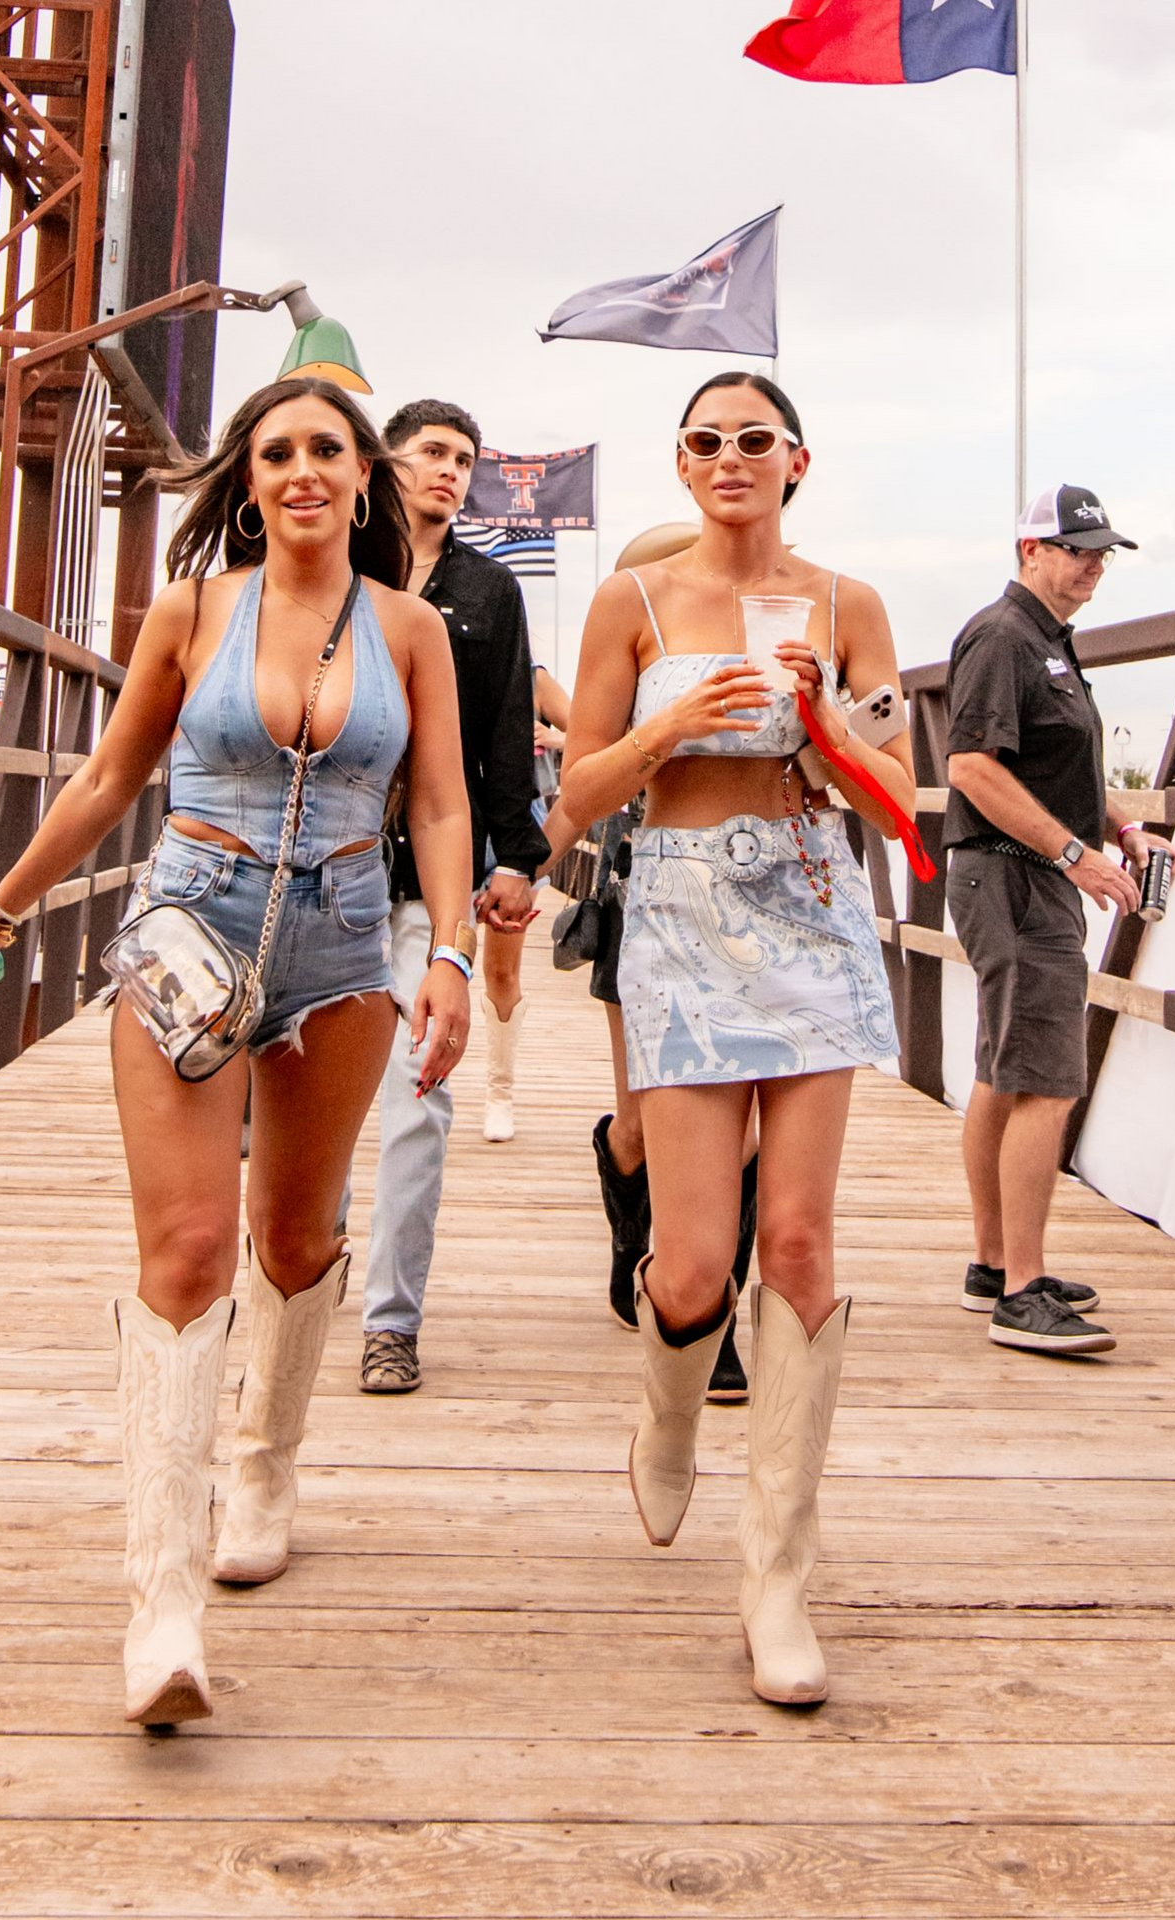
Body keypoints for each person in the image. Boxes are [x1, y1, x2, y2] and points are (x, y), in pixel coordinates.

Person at [0, 377, 474, 1728]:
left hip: (345, 952)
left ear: (364, 479)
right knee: (184, 1252)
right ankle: (162, 1603)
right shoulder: (193, 611)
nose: (302, 471)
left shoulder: (411, 629)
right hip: (193, 935)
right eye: (277, 451)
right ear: (249, 478)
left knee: (293, 1241)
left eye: (326, 452)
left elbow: (444, 801)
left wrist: (452, 953)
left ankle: (266, 1460)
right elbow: (110, 779)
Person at [558, 372, 910, 1706]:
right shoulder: (633, 604)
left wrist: (827, 722)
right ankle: (667, 1403)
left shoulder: (848, 604)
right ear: (682, 462)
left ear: (796, 459)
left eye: (753, 439)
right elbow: (574, 801)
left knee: (802, 1242)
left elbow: (893, 798)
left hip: (815, 909)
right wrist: (663, 729)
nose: (728, 458)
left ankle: (778, 1579)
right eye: (705, 441)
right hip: (688, 914)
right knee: (694, 1260)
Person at [943, 484, 1175, 1355]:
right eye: (1077, 548)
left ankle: (992, 1264)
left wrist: (1120, 827)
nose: (1093, 564)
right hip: (1013, 877)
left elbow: (1055, 765)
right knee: (1045, 1081)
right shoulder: (1004, 636)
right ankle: (1022, 1292)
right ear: (1028, 551)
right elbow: (970, 765)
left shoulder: (1046, 643)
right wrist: (1074, 855)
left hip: (1017, 876)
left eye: (1101, 551)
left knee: (1006, 1073)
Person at [359, 399, 549, 1394]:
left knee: (419, 1099)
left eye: (464, 459)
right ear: (386, 461)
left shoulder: (489, 590)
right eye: (432, 452)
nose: (450, 470)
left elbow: (507, 729)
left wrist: (514, 853)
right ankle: (281, 1287)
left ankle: (391, 1321)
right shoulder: (340, 569)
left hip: (428, 881)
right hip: (321, 866)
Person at [579, 525, 756, 1405]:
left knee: (742, 1132)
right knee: (647, 1121)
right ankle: (629, 1220)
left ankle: (716, 1320)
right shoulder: (628, 656)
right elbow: (579, 781)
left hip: (749, 910)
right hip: (639, 892)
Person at [478, 660, 569, 1141]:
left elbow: (594, 734)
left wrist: (552, 739)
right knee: (429, 958)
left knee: (500, 969)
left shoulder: (533, 679)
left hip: (515, 827)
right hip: (453, 813)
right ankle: (426, 1088)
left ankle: (500, 1092)